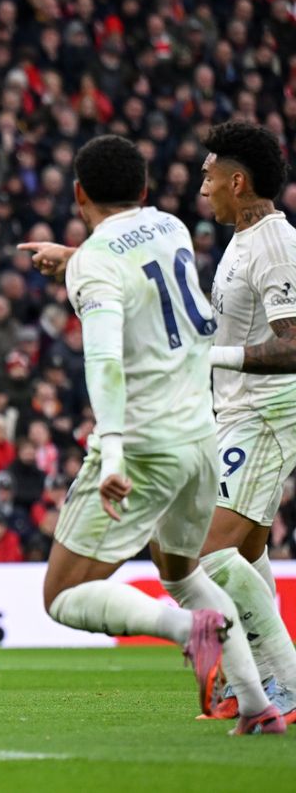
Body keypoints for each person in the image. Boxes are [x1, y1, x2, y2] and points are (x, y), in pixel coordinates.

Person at [21, 134, 283, 735]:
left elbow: (105, 361)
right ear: (143, 190)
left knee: (62, 596)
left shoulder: (96, 262)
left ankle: (181, 630)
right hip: (201, 439)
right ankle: (257, 706)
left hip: (143, 445)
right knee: (184, 574)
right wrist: (76, 257)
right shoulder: (170, 228)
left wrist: (111, 452)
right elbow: (136, 273)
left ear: (80, 192)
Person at [195, 121, 296, 720]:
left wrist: (212, 356)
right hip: (235, 409)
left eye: (210, 176)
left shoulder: (276, 244)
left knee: (206, 550)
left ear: (238, 180)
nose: (203, 187)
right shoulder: (242, 237)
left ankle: (282, 677)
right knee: (248, 552)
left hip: (266, 414)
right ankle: (255, 678)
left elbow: (294, 343)